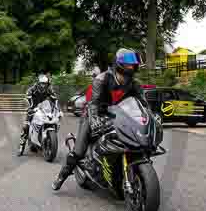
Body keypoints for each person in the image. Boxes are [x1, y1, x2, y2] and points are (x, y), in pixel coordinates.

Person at [52, 48, 148, 191]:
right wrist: (95, 119)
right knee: (78, 152)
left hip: (116, 116)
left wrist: (150, 117)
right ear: (119, 64)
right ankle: (60, 177)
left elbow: (143, 104)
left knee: (134, 141)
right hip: (93, 115)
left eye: (132, 65)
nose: (131, 67)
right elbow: (93, 104)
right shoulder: (101, 79)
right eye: (128, 64)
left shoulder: (134, 84)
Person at [19, 73, 58, 152]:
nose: (43, 86)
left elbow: (55, 99)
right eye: (42, 84)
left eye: (45, 84)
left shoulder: (49, 89)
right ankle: (21, 146)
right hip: (33, 109)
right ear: (38, 83)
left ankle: (47, 138)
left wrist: (56, 108)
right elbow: (27, 99)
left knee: (53, 121)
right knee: (26, 126)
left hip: (45, 108)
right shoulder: (32, 89)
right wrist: (29, 108)